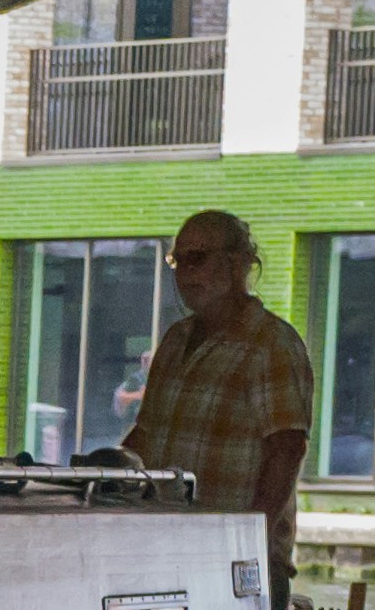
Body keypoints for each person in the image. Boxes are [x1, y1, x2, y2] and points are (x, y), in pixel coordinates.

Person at [115, 207, 318, 562]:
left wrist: (247, 544)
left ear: (238, 263)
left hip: (237, 562)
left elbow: (286, 451)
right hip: (165, 547)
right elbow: (146, 437)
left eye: (199, 258)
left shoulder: (271, 343)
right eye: (178, 261)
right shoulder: (175, 340)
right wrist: (99, 472)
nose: (186, 273)